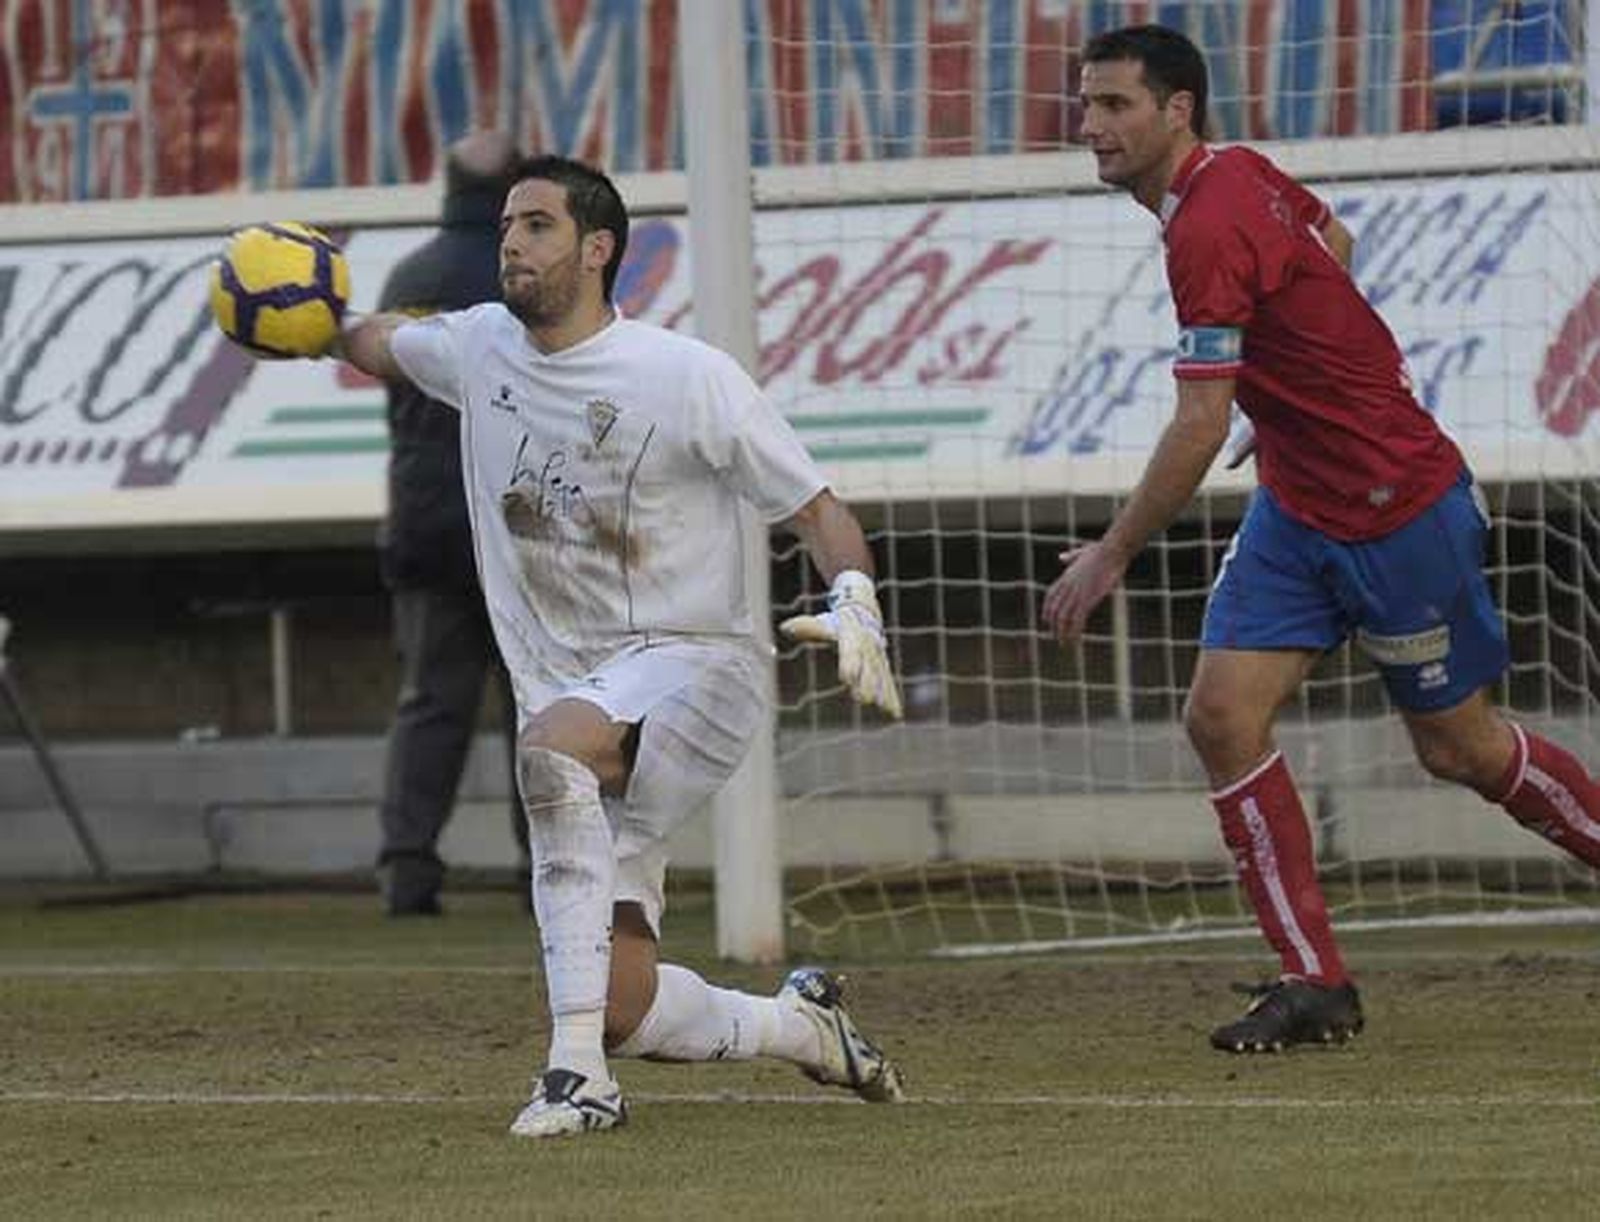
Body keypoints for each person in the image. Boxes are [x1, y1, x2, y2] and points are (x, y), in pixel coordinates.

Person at [1044, 24, 1600, 1054]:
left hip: (1399, 510)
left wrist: (1112, 551)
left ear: (1177, 111)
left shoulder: (1206, 224)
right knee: (1219, 715)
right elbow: (1329, 245)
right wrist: (1290, 397)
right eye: (1085, 105)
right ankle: (1313, 983)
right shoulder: (1239, 175)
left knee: (1459, 749)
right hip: (1299, 509)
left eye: (1116, 105)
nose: (1093, 127)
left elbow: (1197, 424)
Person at [327, 154, 907, 1135]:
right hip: (583, 694)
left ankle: (574, 1076)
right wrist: (312, 317)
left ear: (597, 249)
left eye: (537, 224)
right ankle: (803, 1028)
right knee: (630, 1004)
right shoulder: (476, 349)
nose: (511, 239)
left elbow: (816, 507)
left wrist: (852, 591)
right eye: (508, 222)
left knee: (552, 750)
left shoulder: (684, 375)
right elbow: (382, 344)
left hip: (696, 667)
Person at [374, 130, 531, 917]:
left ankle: (407, 871)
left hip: (425, 524)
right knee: (536, 704)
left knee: (429, 706)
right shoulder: (526, 280)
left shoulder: (407, 276)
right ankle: (545, 870)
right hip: (518, 526)